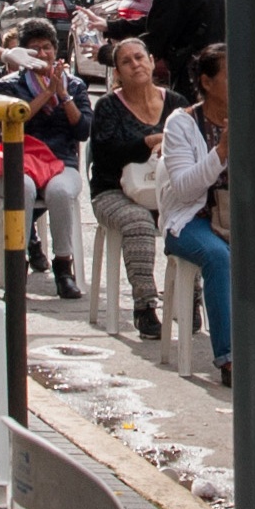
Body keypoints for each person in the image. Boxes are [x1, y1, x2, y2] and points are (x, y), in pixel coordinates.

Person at [0, 19, 93, 297]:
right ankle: (16, 265)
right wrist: (46, 94)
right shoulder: (9, 85)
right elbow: (15, 121)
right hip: (18, 161)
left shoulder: (75, 85)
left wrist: (63, 96)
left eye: (47, 48)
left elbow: (83, 130)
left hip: (60, 162)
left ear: (56, 51)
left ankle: (63, 267)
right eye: (34, 49)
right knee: (24, 188)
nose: (42, 55)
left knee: (61, 192)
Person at [155, 44, 238, 383]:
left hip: (237, 216)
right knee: (219, 257)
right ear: (206, 82)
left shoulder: (253, 114)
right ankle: (231, 358)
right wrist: (221, 151)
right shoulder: (182, 124)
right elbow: (185, 188)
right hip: (192, 219)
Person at [83, 41, 169, 341]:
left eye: (140, 57)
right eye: (127, 61)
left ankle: (190, 297)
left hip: (165, 191)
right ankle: (145, 305)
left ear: (151, 60)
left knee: (192, 218)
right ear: (117, 71)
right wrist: (145, 143)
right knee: (138, 222)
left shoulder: (175, 102)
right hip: (113, 191)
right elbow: (104, 157)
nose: (136, 65)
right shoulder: (107, 106)